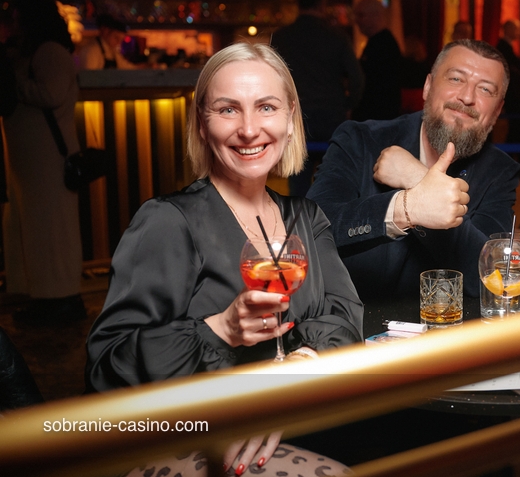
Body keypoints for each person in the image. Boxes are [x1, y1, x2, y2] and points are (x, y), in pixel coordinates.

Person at [86, 42, 363, 475]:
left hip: (301, 423)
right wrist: (220, 330)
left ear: (290, 118)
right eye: (228, 110)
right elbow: (106, 368)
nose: (249, 129)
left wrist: (295, 367)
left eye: (266, 107)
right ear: (202, 123)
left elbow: (347, 319)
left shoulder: (306, 219)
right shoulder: (168, 221)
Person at [307, 39, 519, 301]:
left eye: (485, 89)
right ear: (428, 87)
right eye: (456, 79)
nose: (467, 97)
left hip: (446, 324)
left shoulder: (499, 172)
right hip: (352, 319)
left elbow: (490, 277)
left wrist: (417, 178)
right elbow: (311, 230)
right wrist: (404, 208)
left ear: (497, 111)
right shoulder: (360, 140)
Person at [2, 0, 86, 323]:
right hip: (37, 158)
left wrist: (14, 83)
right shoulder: (44, 51)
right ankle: (48, 297)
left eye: (18, 19)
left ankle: (59, 299)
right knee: (41, 227)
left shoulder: (49, 52)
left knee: (50, 228)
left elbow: (51, 94)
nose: (14, 26)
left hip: (47, 157)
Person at [270, 0, 364, 197]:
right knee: (333, 183)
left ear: (298, 3)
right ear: (322, 4)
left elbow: (271, 78)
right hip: (331, 117)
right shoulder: (336, 36)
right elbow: (357, 79)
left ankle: (299, 218)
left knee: (298, 185)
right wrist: (347, 105)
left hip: (297, 117)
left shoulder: (282, 37)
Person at [352, 0, 402, 121]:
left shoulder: (383, 44)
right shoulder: (377, 42)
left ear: (375, 16)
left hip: (379, 115)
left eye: (361, 15)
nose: (356, 21)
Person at [495, 19, 520, 144]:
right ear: (508, 29)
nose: (519, 32)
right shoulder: (503, 48)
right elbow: (512, 69)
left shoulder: (507, 48)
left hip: (513, 94)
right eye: (516, 29)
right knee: (516, 127)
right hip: (512, 94)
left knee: (516, 127)